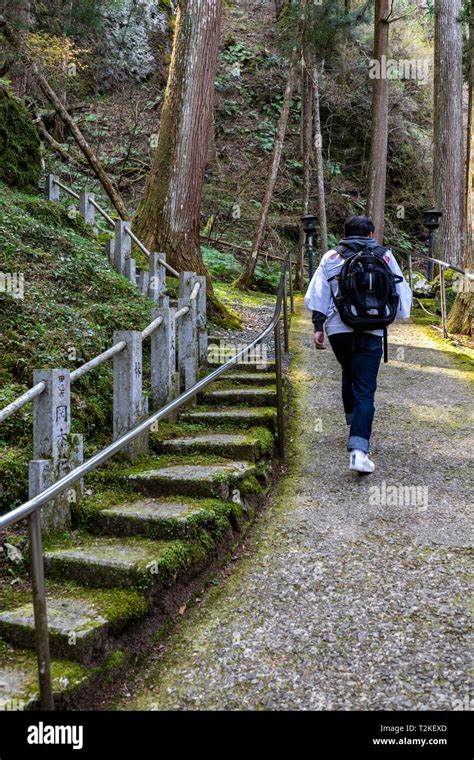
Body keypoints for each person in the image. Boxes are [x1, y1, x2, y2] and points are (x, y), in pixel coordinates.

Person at [304, 215, 412, 474]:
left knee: (347, 371)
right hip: (372, 328)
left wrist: (318, 327)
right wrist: (395, 316)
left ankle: (354, 427)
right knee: (365, 389)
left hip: (338, 329)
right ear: (371, 233)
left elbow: (317, 295)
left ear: (345, 233)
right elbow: (401, 292)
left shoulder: (331, 257)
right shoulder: (384, 255)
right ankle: (358, 451)